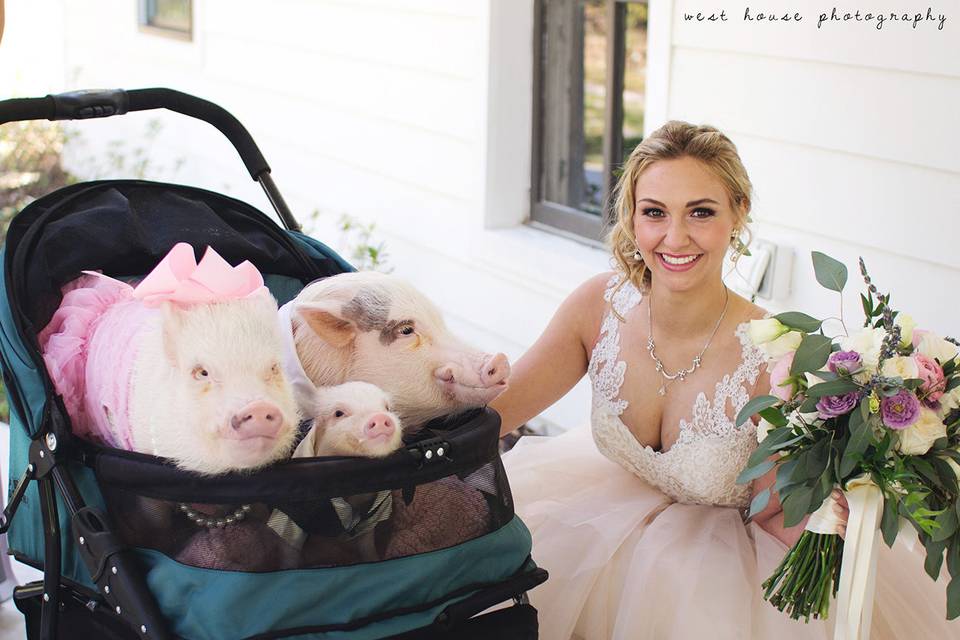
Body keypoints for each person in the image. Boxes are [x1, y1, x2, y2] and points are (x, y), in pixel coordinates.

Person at [491, 121, 955, 639]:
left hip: (718, 579)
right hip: (595, 525)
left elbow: (774, 513)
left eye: (701, 212)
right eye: (654, 213)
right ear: (632, 218)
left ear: (738, 213)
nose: (675, 237)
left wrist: (826, 508)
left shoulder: (775, 356)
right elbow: (493, 416)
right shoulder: (596, 307)